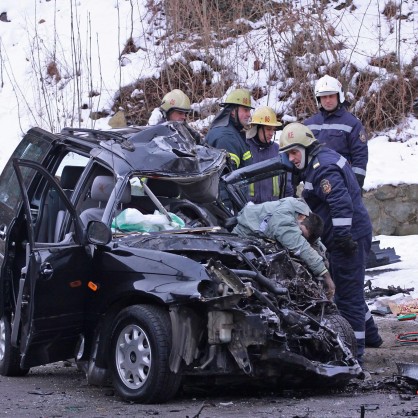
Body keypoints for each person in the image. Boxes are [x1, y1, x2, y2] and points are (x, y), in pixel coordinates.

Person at [279, 122, 382, 366]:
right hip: (344, 234)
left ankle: (354, 358)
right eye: (288, 154)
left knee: (347, 298)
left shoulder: (322, 168)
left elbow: (340, 202)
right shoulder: (318, 162)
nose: (292, 159)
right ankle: (372, 336)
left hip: (348, 237)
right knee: (350, 290)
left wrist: (345, 237)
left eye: (294, 153)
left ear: (305, 148)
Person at [233, 197, 335, 300]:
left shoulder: (304, 211)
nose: (300, 235)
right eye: (301, 232)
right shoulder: (283, 217)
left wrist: (323, 257)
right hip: (241, 239)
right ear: (301, 217)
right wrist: (325, 274)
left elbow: (314, 241)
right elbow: (300, 245)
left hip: (259, 238)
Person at [303, 75, 368, 189]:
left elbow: (360, 157)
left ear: (339, 96)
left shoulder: (352, 123)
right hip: (314, 186)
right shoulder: (309, 124)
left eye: (331, 96)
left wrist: (355, 185)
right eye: (323, 97)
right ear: (318, 99)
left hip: (341, 185)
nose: (327, 100)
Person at [246, 106, 293, 203]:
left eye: (273, 129)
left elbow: (287, 185)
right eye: (268, 129)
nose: (271, 133)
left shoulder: (278, 151)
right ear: (256, 128)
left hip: (273, 210)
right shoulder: (244, 148)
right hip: (249, 211)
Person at [205, 88, 254, 170]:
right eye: (245, 110)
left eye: (249, 110)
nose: (249, 114)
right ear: (233, 111)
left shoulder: (231, 132)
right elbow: (228, 178)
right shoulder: (227, 137)